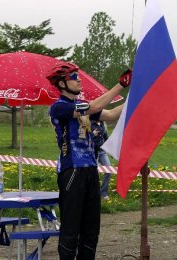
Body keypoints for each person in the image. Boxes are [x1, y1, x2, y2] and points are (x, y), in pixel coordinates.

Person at [46, 62, 132, 260]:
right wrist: (121, 85)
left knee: (91, 228)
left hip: (91, 169)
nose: (79, 80)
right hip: (72, 170)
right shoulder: (59, 107)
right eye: (73, 77)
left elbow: (109, 115)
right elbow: (94, 106)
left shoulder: (82, 106)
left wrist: (136, 97)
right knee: (71, 228)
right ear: (61, 84)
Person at [91, 120, 112, 201]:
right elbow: (84, 137)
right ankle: (94, 193)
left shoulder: (103, 123)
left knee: (109, 171)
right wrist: (92, 134)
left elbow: (106, 137)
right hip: (93, 151)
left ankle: (103, 193)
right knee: (95, 173)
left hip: (102, 151)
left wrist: (111, 150)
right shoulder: (89, 122)